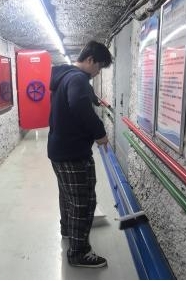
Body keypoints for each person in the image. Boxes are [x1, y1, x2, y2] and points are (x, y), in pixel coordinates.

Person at [48, 40, 113, 268]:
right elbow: (77, 104)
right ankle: (78, 253)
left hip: (59, 149)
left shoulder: (66, 76)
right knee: (83, 201)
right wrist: (100, 133)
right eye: (99, 66)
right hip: (73, 152)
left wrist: (94, 99)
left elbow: (77, 98)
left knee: (68, 196)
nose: (98, 72)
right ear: (90, 60)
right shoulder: (78, 79)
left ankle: (68, 230)